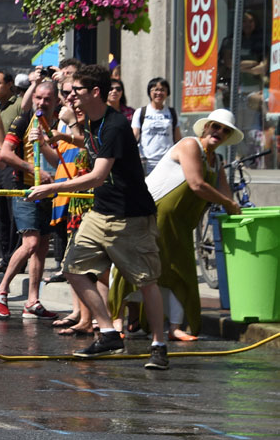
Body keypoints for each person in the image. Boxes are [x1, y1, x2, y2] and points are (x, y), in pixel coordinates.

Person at [28, 64, 170, 370]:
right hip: (101, 213)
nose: (69, 96)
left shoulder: (116, 125)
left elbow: (97, 176)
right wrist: (62, 136)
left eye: (75, 91)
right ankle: (108, 333)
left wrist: (52, 187)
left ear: (95, 92)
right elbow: (91, 144)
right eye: (68, 91)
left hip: (131, 217)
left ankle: (159, 345)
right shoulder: (93, 121)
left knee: (146, 281)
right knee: (72, 268)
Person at [108, 109, 242, 342]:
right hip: (150, 213)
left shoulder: (217, 161)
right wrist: (229, 203)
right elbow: (197, 184)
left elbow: (225, 192)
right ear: (206, 127)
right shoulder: (190, 145)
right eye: (216, 126)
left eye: (225, 130)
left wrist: (235, 209)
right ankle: (116, 321)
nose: (219, 132)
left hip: (180, 224)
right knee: (133, 264)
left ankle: (175, 327)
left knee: (180, 271)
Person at [0, 80, 62, 320]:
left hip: (50, 190)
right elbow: (5, 154)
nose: (42, 103)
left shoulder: (58, 123)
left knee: (41, 247)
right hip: (25, 190)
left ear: (56, 100)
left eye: (47, 99)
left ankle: (32, 300)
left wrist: (44, 143)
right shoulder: (23, 121)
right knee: (30, 243)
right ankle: (0, 291)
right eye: (38, 98)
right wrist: (30, 168)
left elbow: (57, 161)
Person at [132, 78, 181, 175]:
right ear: (149, 92)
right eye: (155, 90)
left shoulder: (172, 112)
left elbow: (178, 138)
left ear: (167, 93)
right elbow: (135, 136)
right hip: (146, 163)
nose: (159, 93)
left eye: (162, 90)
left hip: (167, 162)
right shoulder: (141, 112)